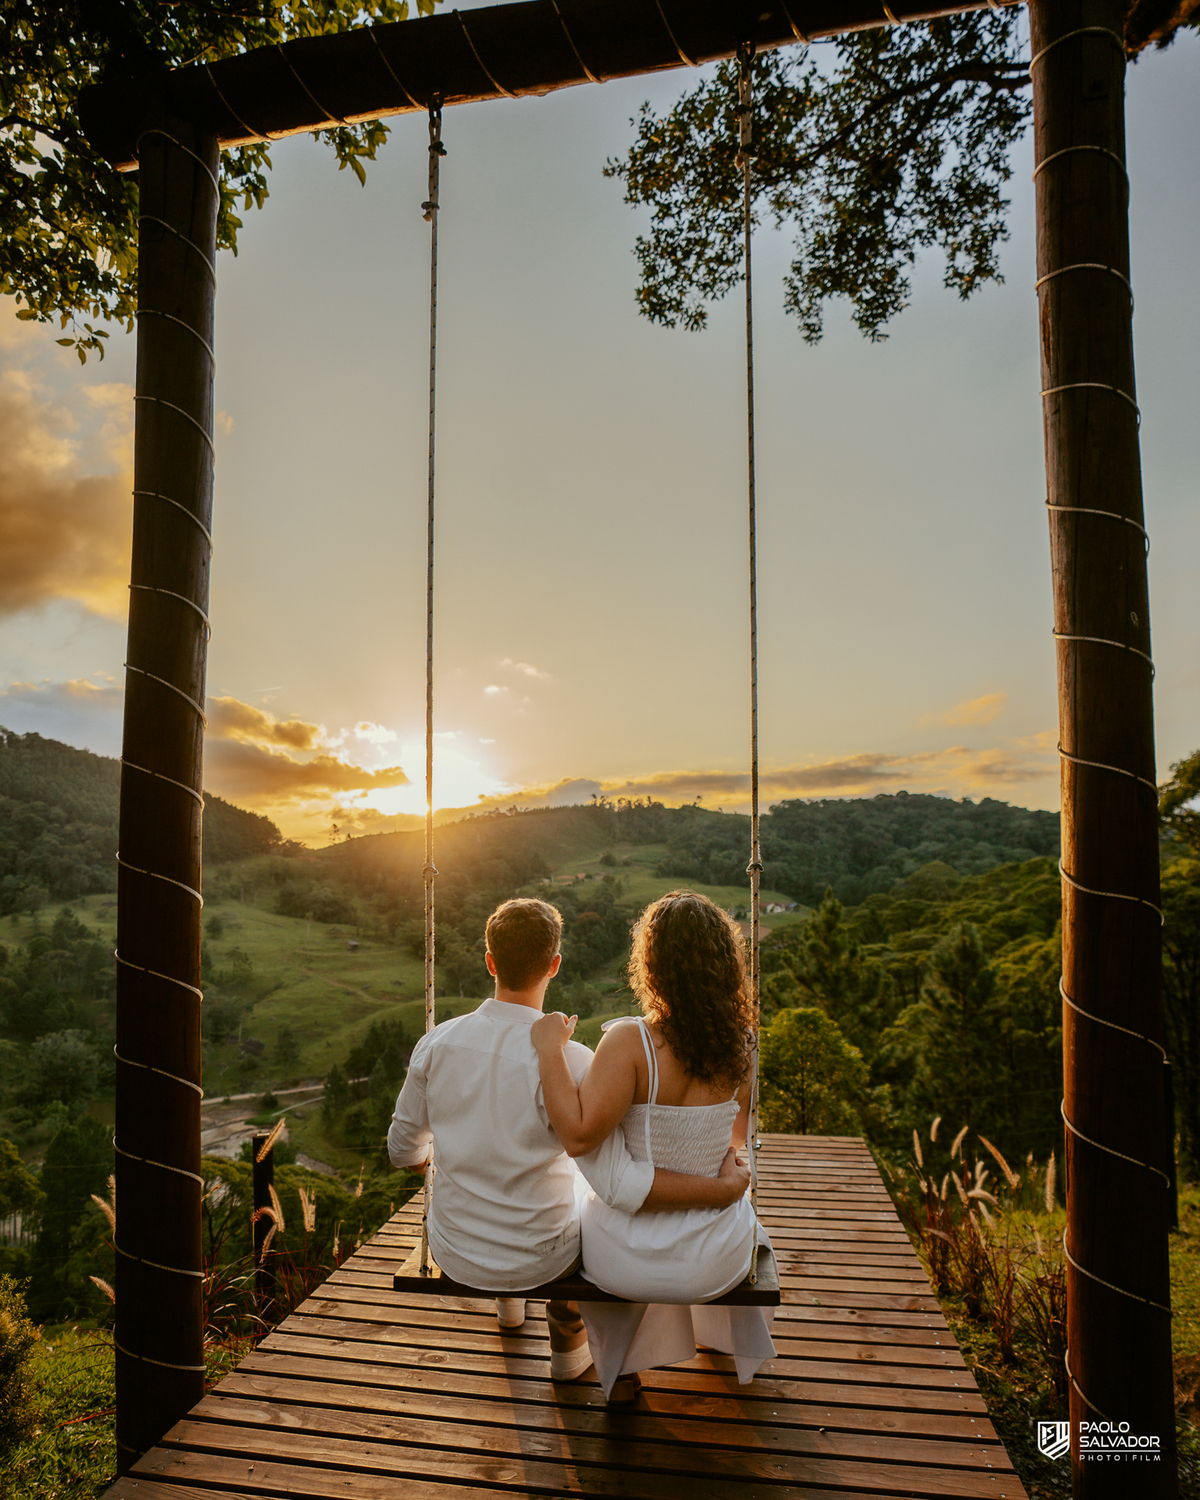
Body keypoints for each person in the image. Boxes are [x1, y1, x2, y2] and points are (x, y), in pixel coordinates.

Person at [387, 897, 751, 1382]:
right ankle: (565, 1350)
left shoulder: (436, 1043)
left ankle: (509, 1308)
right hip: (543, 1257)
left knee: (518, 1173)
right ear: (554, 965)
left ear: (490, 962)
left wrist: (439, 1161)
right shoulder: (575, 1059)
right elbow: (620, 1164)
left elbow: (402, 1151)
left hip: (457, 1250)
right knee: (577, 1192)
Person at [531, 889, 776, 1401]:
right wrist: (716, 1175)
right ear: (725, 966)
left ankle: (618, 1373)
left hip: (625, 1258)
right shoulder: (744, 1043)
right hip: (714, 1257)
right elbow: (735, 1137)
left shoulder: (630, 1042)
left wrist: (549, 1051)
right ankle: (721, 1344)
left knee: (579, 1196)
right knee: (743, 1215)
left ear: (652, 966)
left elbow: (578, 1136)